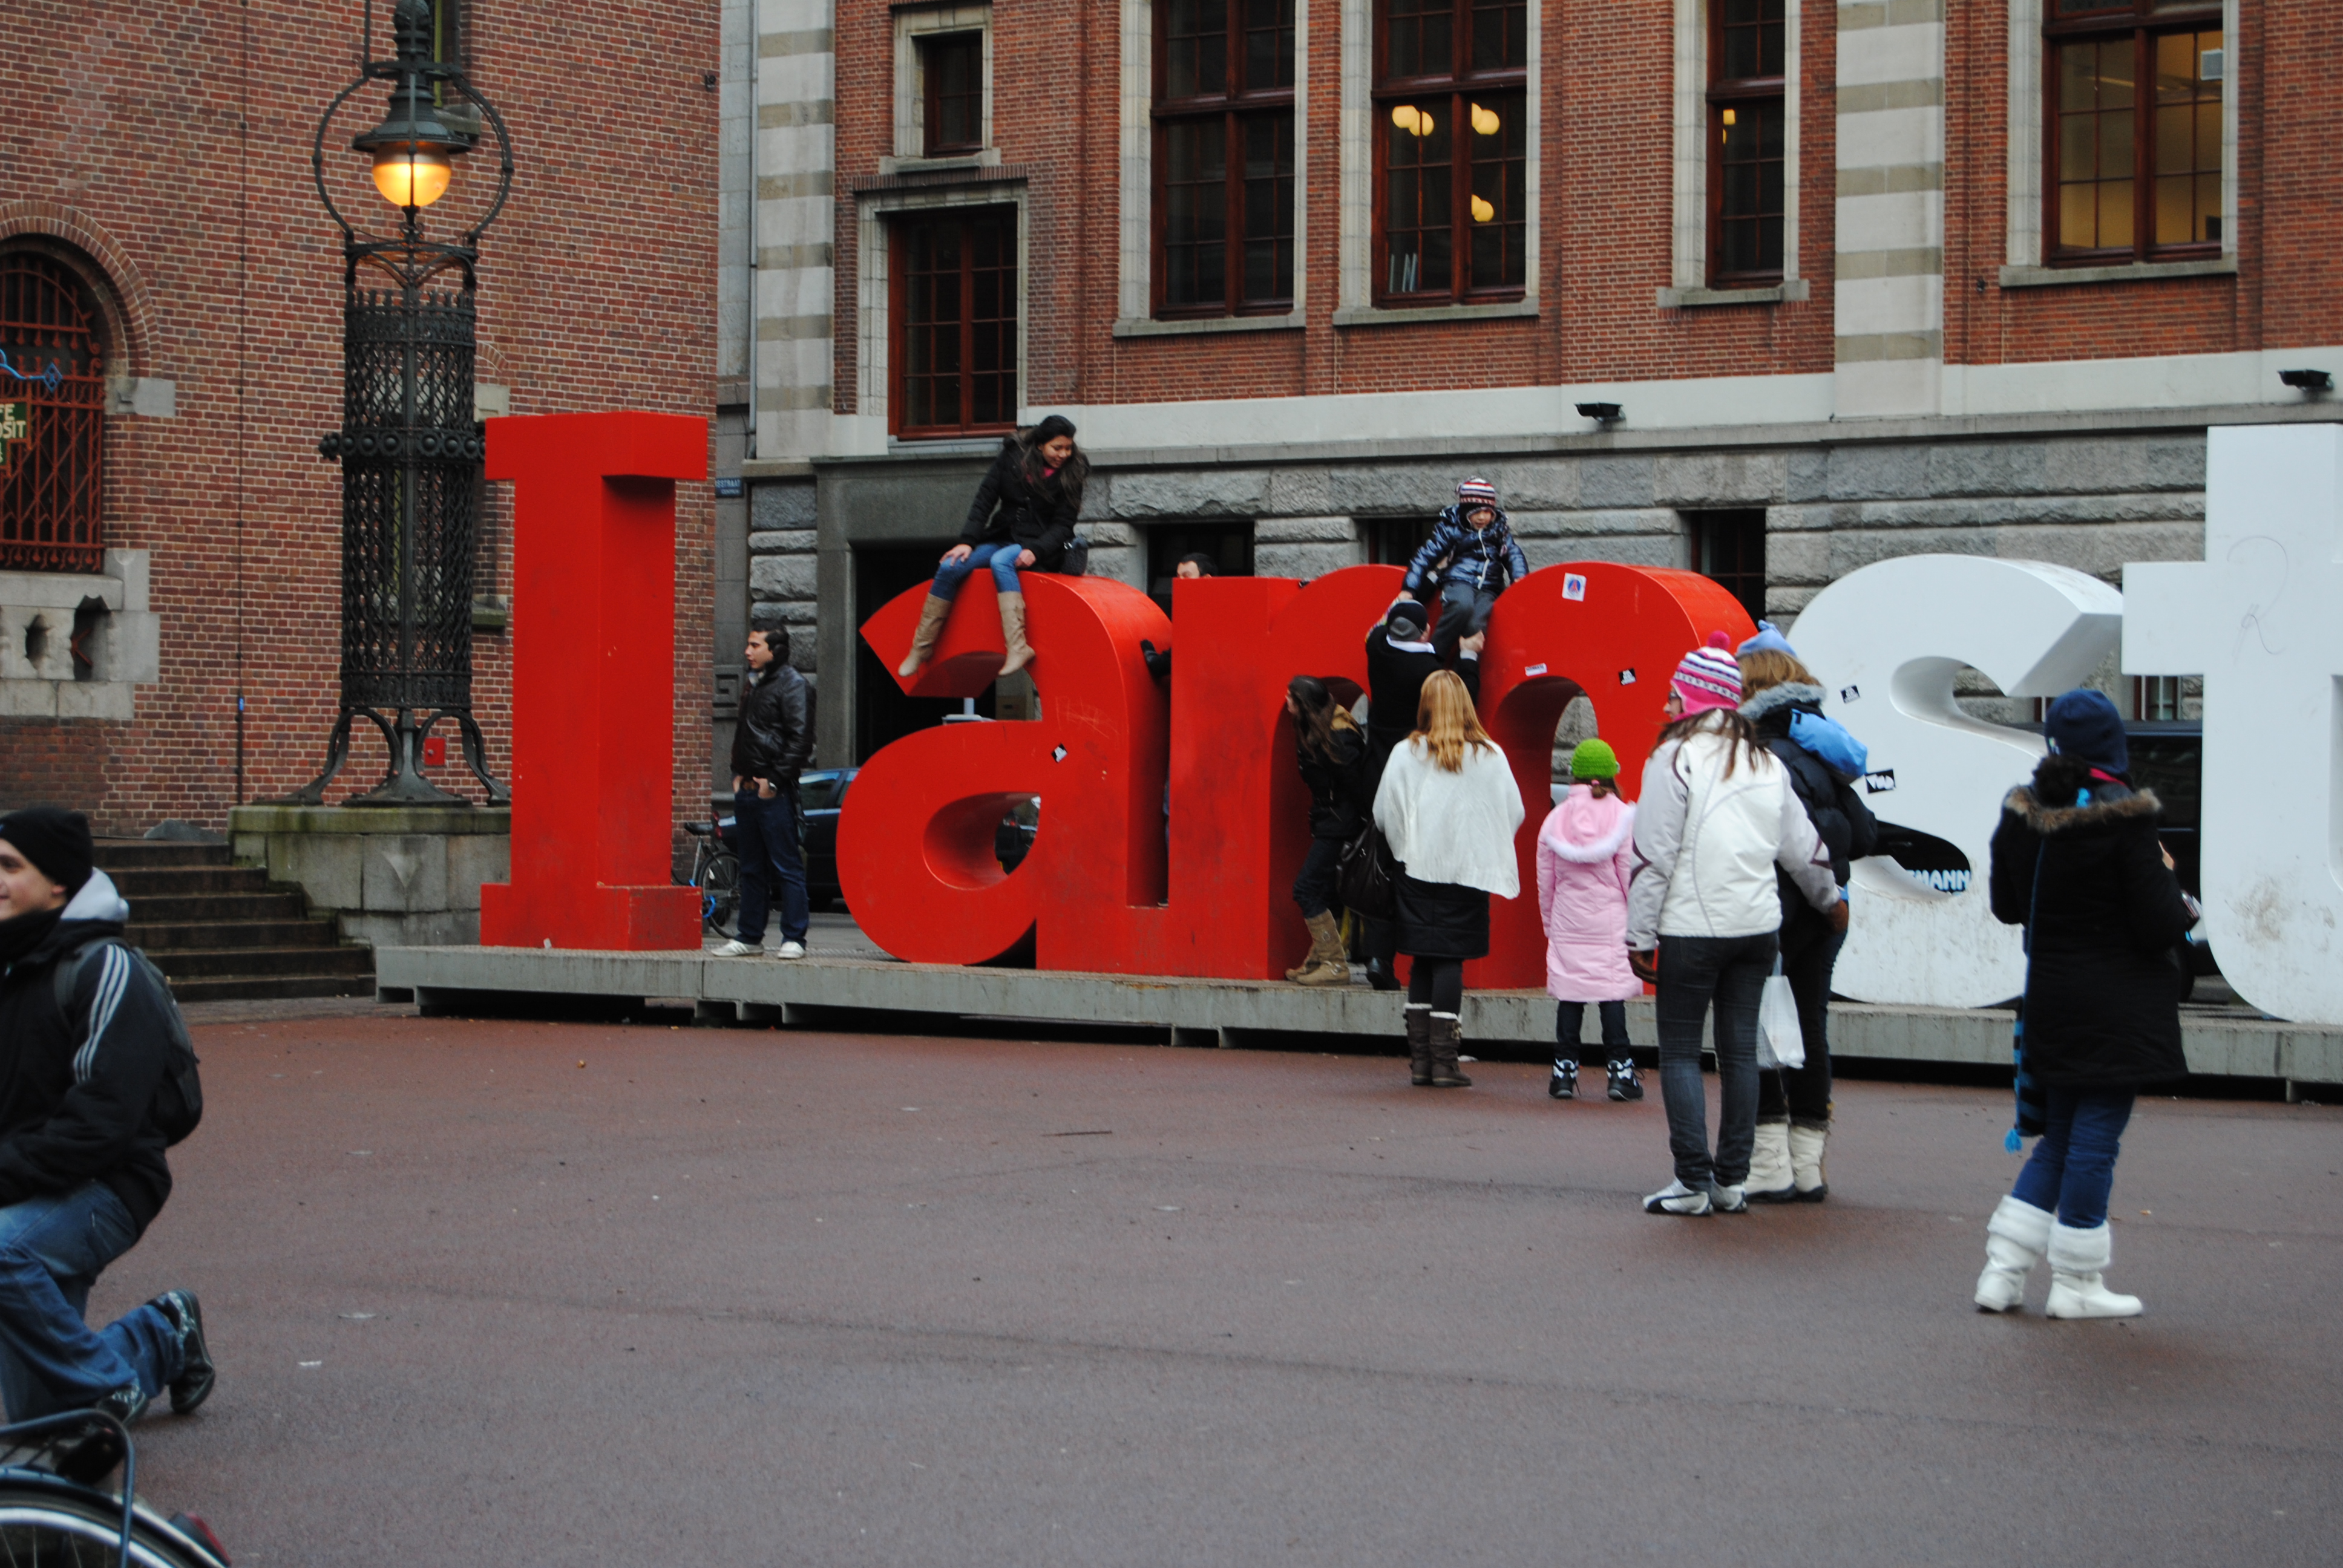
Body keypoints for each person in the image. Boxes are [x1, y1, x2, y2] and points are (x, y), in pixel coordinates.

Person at [1974, 689, 2192, 1319]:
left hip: (2049, 996)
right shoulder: (2124, 817)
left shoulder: (2020, 815)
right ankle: (2075, 1281)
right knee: (2094, 1139)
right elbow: (2157, 923)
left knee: (2060, 1138)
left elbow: (2006, 906)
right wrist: (2182, 905)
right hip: (2117, 1005)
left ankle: (2002, 1270)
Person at [0, 806, 214, 1437]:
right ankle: (164, 1334)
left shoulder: (106, 968)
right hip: (29, 1187)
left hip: (108, 1187)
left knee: (3, 1253)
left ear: (60, 883)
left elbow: (102, 1123)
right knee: (51, 1422)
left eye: (10, 867)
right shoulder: (11, 969)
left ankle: (107, 1382)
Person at [1626, 634, 1846, 1216]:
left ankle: (1692, 1181)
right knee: (1740, 1054)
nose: (1669, 705)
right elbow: (1806, 852)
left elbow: (1652, 855)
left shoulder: (1672, 758)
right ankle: (1731, 1180)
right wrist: (1831, 903)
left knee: (1678, 1053)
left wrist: (1639, 935)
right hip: (1756, 929)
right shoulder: (1765, 762)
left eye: (1675, 695)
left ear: (1694, 698)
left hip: (1691, 927)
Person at [1735, 624, 1878, 1201]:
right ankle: (1809, 1165)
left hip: (1770, 907)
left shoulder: (1756, 753)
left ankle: (1768, 1165)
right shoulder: (1823, 748)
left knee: (1762, 1029)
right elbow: (1864, 833)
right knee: (1810, 1027)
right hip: (1828, 909)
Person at [1372, 670, 1524, 1089]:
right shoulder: (1490, 755)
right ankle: (1446, 1062)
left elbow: (1384, 814)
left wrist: (1409, 848)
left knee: (1422, 957)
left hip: (1417, 868)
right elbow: (1514, 813)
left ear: (1425, 704)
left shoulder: (1406, 752)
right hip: (1467, 871)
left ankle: (1421, 1061)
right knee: (1450, 960)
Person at [897, 415, 1089, 680]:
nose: (1064, 454)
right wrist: (967, 542)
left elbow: (1064, 524)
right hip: (1003, 535)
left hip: (1038, 543)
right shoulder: (1012, 457)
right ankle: (921, 648)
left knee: (1001, 561)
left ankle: (1018, 647)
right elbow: (985, 498)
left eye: (1068, 448)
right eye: (1058, 448)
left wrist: (1037, 550)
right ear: (1039, 445)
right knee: (950, 566)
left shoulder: (1075, 470)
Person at [1359, 598, 1483, 990]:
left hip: (1378, 778)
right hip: (1419, 781)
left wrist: (1395, 607)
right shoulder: (1429, 672)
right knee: (1417, 874)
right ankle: (1422, 958)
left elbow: (1377, 629)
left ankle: (1379, 956)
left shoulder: (1377, 650)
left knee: (1384, 871)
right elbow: (1462, 699)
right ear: (1425, 634)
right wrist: (1468, 655)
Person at [1535, 739, 1643, 1103]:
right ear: (1611, 773)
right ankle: (1620, 1072)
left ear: (1575, 776)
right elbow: (1630, 875)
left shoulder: (1555, 819)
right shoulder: (1622, 817)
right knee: (1612, 996)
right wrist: (1640, 925)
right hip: (1611, 921)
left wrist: (1551, 923)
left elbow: (1545, 880)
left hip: (1568, 920)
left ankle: (1563, 1073)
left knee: (1571, 995)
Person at [715, 626, 814, 959]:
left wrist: (772, 782)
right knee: (751, 869)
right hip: (747, 791)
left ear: (775, 649)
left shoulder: (794, 684)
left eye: (755, 645)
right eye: (748, 644)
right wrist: (737, 774)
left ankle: (794, 939)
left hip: (773, 792)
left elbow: (801, 741)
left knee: (787, 866)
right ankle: (749, 937)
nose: (747, 651)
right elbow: (745, 733)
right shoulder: (754, 684)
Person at [1283, 675, 1369, 987]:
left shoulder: (1339, 738)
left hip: (1340, 826)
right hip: (1330, 822)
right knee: (1326, 892)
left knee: (1305, 889)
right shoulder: (1316, 730)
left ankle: (1333, 962)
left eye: (1291, 697)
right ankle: (1321, 957)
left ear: (1304, 705)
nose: (1286, 701)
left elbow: (1356, 787)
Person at [1402, 477, 1529, 661]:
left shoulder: (1498, 530)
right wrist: (1409, 588)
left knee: (1475, 625)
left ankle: (1465, 674)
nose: (1482, 517)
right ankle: (1433, 658)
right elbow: (1425, 556)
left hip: (1488, 587)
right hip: (1458, 580)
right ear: (1465, 512)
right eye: (1476, 512)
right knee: (1461, 606)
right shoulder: (1451, 529)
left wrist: (1519, 576)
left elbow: (1513, 554)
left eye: (1487, 512)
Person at [1141, 555, 1217, 680]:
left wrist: (1155, 660)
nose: (1179, 581)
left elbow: (1187, 650)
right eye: (1178, 576)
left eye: (1186, 576)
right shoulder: (1188, 607)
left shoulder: (1204, 612)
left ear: (1206, 579)